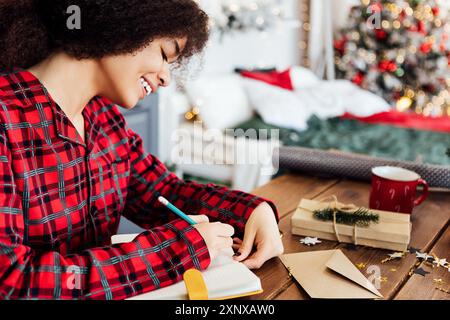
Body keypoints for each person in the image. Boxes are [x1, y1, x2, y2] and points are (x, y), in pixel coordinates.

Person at [0, 0, 283, 300]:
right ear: (118, 21)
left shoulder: (105, 121)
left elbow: (163, 193)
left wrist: (252, 210)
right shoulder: (5, 120)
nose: (166, 78)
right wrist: (178, 250)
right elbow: (12, 281)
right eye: (164, 53)